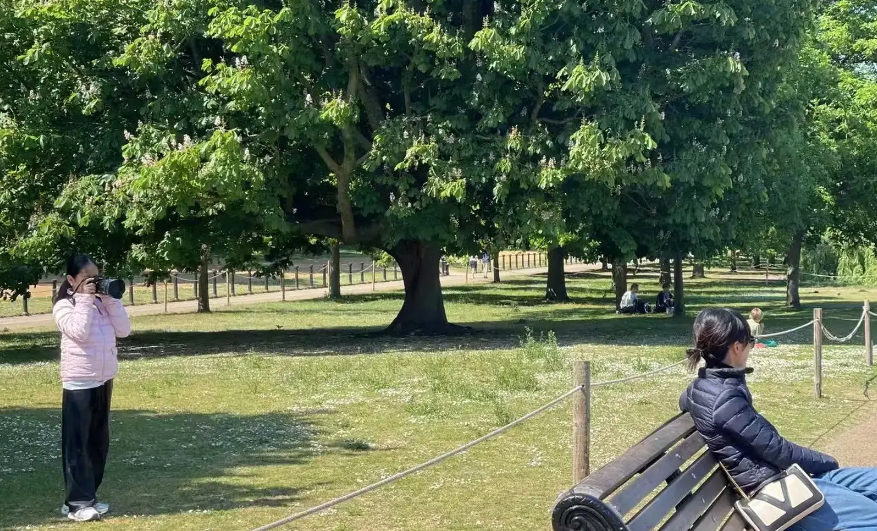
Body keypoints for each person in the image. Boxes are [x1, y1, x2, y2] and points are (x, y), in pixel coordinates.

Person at [681, 308, 877, 530]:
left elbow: (686, 402)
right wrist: (827, 462)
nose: (751, 348)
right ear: (736, 347)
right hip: (781, 493)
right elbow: (779, 451)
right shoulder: (725, 399)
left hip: (788, 478)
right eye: (750, 342)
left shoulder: (702, 388)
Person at [53, 254, 131, 522]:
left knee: (98, 444)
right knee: (78, 445)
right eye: (87, 279)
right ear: (71, 279)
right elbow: (79, 331)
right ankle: (77, 504)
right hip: (79, 382)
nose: (93, 284)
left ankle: (89, 497)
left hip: (103, 378)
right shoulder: (64, 306)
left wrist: (111, 300)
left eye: (96, 278)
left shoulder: (101, 304)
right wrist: (85, 299)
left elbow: (124, 330)